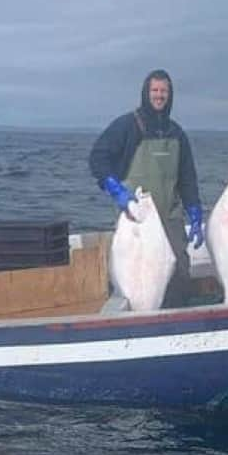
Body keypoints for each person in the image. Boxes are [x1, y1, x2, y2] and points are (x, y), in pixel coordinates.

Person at [89, 69, 203, 307]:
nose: (159, 96)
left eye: (164, 91)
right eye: (155, 90)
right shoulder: (127, 126)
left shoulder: (177, 134)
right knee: (129, 274)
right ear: (145, 92)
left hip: (169, 217)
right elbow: (98, 157)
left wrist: (194, 209)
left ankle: (177, 322)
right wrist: (114, 188)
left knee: (179, 270)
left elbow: (187, 178)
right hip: (135, 218)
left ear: (170, 95)